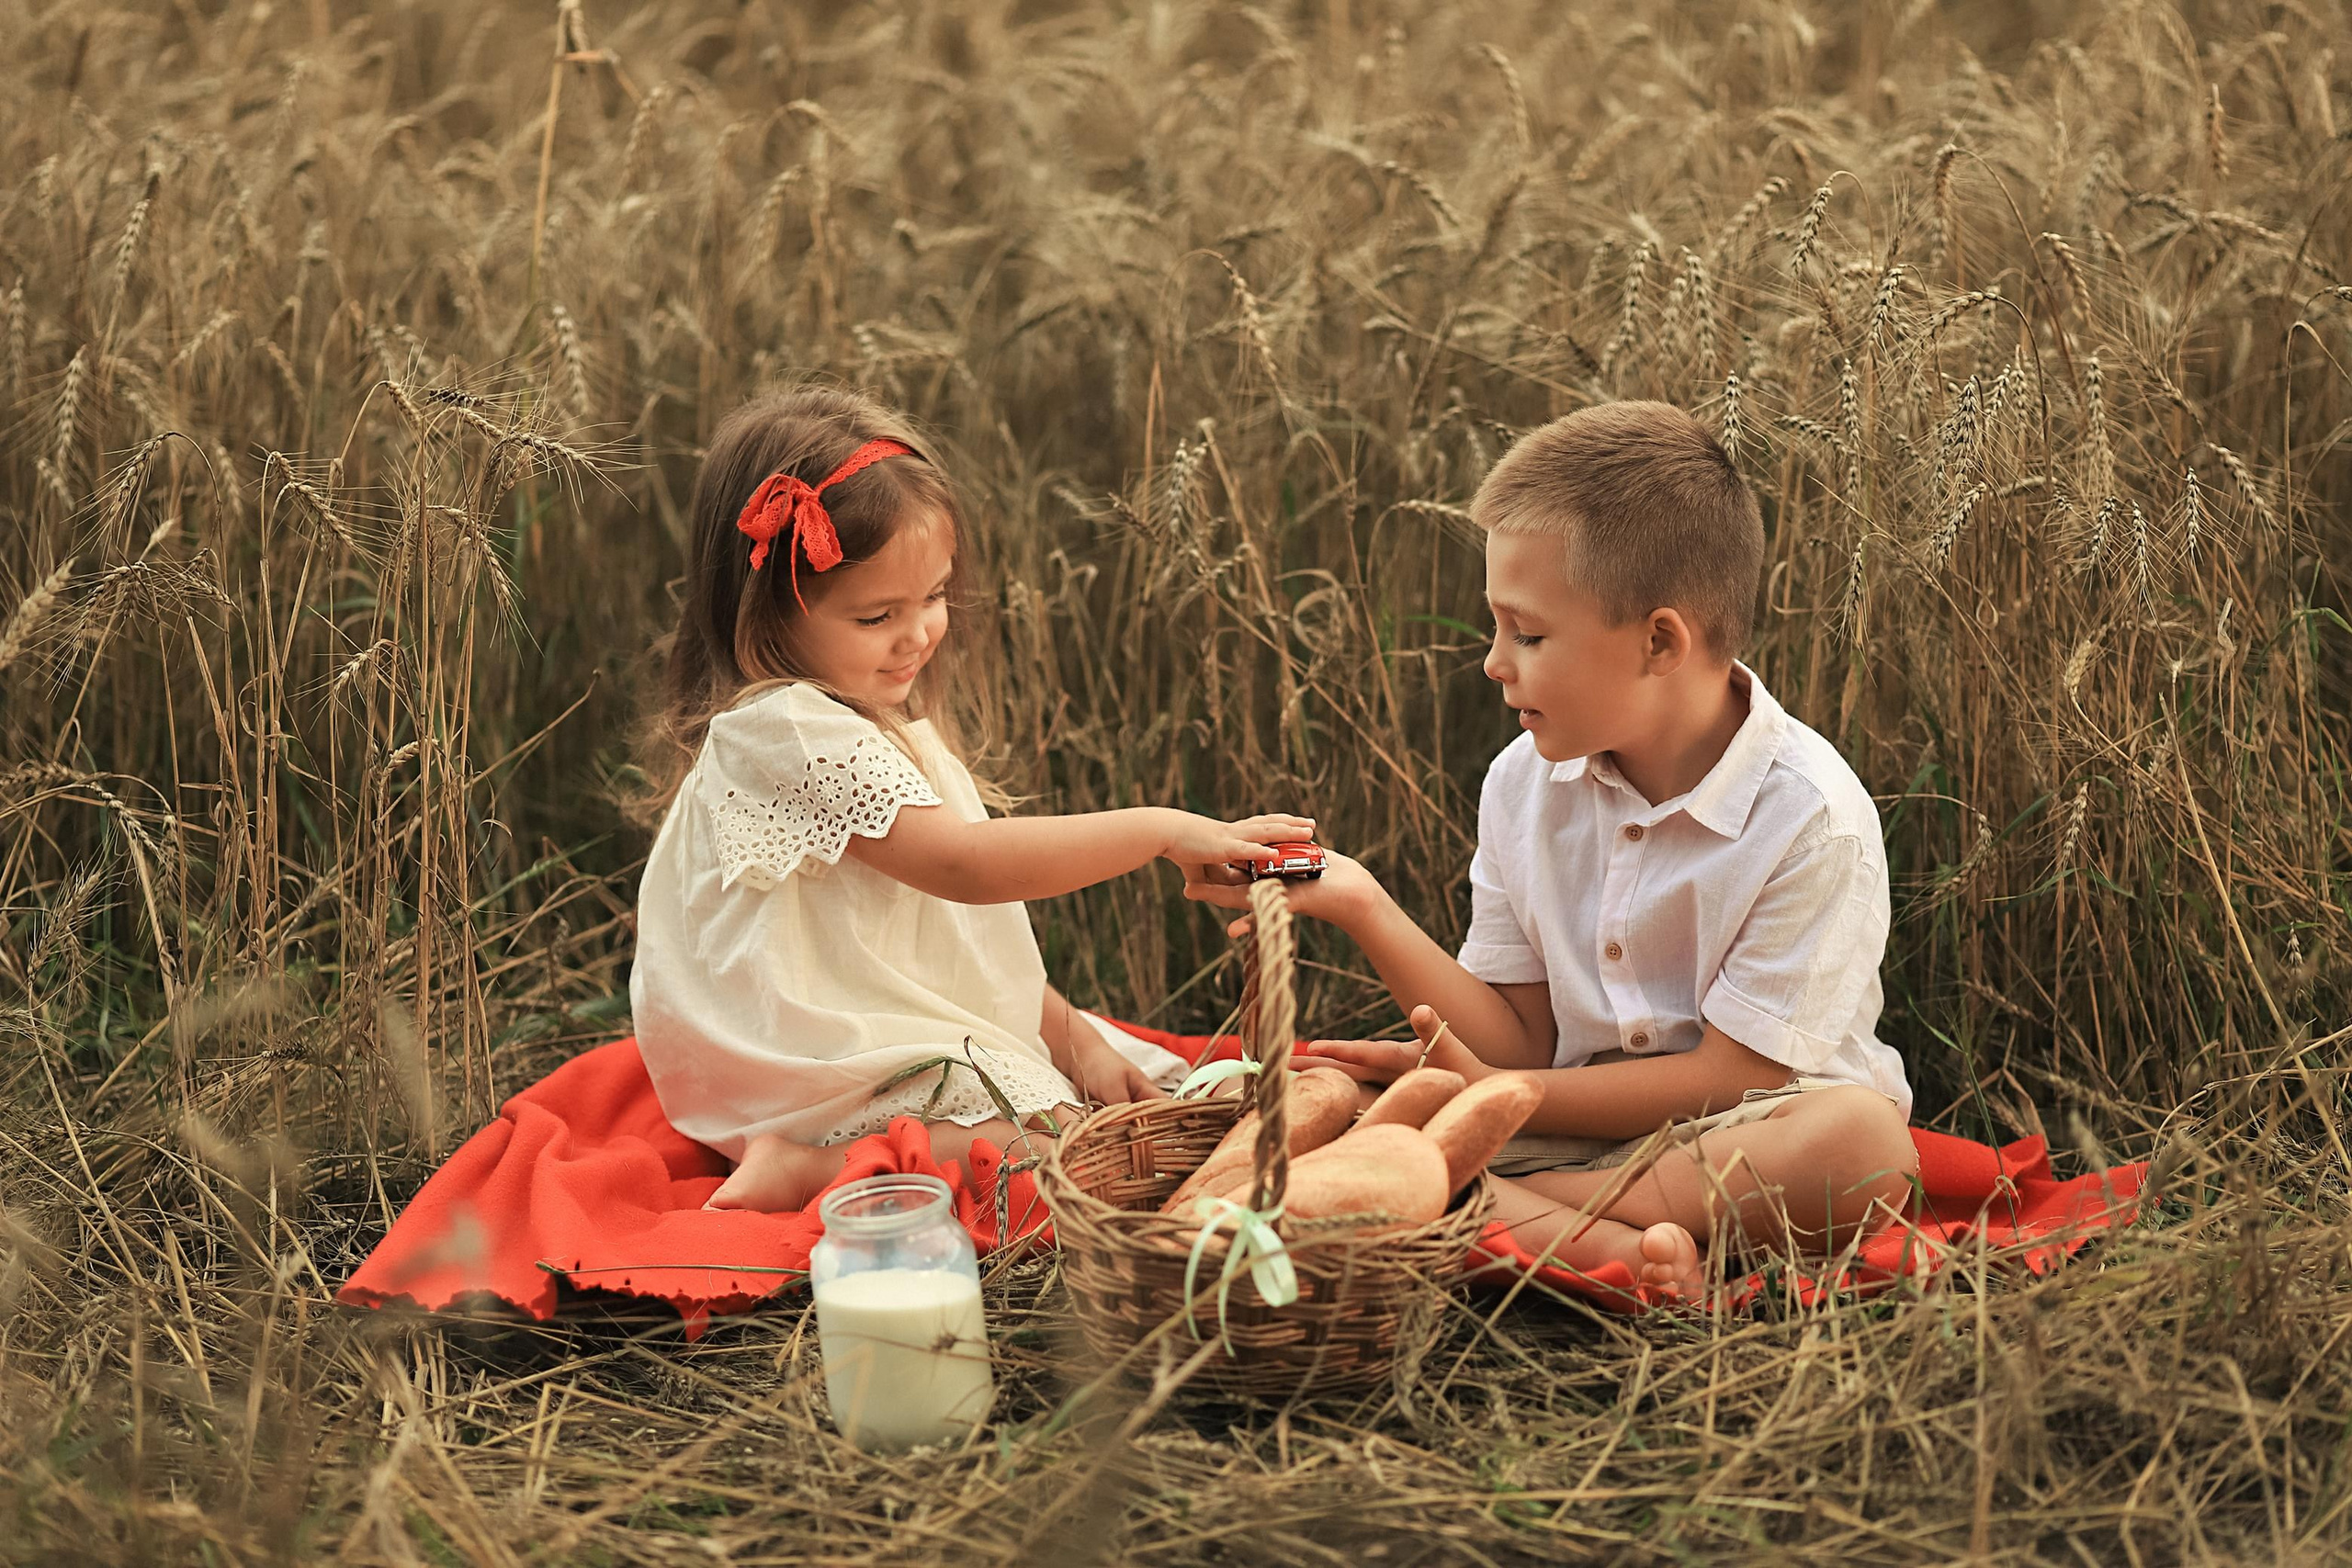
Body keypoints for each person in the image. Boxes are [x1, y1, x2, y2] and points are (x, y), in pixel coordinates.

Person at [1188, 401, 1917, 1302]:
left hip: (1745, 1131)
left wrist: (1493, 1091)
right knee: (1335, 1109)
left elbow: (1736, 1077)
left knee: (1865, 1147)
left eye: (1526, 634)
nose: (1494, 662)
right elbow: (1520, 1034)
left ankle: (1511, 1208)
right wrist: (1359, 902)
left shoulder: (1810, 818)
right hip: (1568, 1115)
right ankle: (1584, 1235)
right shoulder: (1522, 783)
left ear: (1660, 641)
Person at [630, 385, 1314, 1213]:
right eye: (879, 613)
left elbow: (954, 950)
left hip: (867, 1017)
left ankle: (955, 1112)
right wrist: (1161, 830)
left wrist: (1077, 1038)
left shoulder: (868, 719)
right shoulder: (787, 731)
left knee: (1142, 1107)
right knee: (1063, 1151)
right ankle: (806, 1165)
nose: (919, 632)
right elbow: (966, 867)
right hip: (801, 1056)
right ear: (765, 612)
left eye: (935, 597)